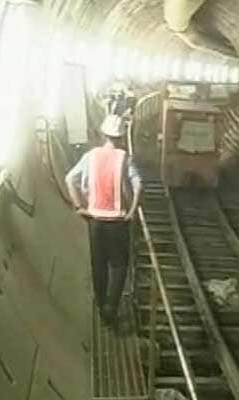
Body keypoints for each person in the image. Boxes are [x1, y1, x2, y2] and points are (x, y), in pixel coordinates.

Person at [65, 114, 143, 329]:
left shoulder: (90, 156)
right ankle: (111, 307)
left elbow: (69, 178)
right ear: (121, 137)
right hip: (118, 221)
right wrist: (132, 210)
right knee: (118, 265)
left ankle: (101, 307)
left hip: (95, 220)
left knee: (98, 264)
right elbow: (138, 185)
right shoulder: (124, 158)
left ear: (103, 134)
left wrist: (78, 206)